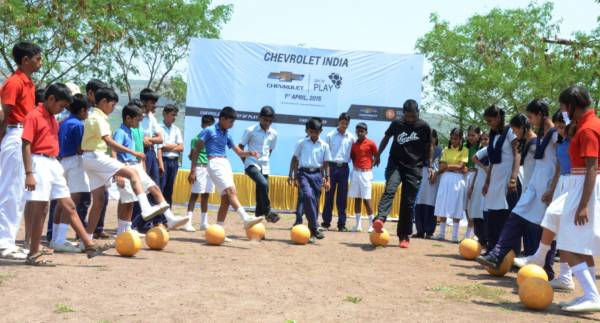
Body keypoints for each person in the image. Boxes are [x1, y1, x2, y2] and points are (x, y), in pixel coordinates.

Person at [21, 83, 108, 266]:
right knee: (41, 209)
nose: (62, 110)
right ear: (51, 99)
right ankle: (33, 253)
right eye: (61, 106)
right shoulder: (34, 116)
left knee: (69, 205)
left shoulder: (53, 118)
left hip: (54, 163)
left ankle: (89, 245)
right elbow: (26, 144)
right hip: (39, 162)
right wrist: (29, 172)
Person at [477, 101, 558, 281]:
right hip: (534, 186)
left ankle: (547, 271)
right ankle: (497, 253)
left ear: (541, 114)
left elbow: (559, 163)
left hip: (546, 188)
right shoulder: (543, 136)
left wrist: (553, 188)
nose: (531, 121)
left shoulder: (553, 135)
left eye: (531, 117)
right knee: (515, 217)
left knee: (545, 229)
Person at [536, 87, 600, 312]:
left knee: (567, 241)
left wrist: (583, 205)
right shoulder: (584, 126)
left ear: (573, 105)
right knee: (581, 246)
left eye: (564, 107)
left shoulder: (589, 129)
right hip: (580, 183)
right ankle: (589, 294)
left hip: (584, 185)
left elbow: (592, 167)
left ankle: (593, 295)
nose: (563, 112)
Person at [81, 87, 168, 238]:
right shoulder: (99, 118)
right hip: (96, 156)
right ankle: (146, 207)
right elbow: (109, 142)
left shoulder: (93, 116)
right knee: (132, 173)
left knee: (99, 200)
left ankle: (86, 239)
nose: (113, 108)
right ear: (103, 102)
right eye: (112, 104)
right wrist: (133, 152)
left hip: (90, 158)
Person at [514, 111, 575, 290]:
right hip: (562, 183)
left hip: (576, 183)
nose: (559, 129)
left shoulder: (576, 139)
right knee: (558, 229)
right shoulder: (561, 141)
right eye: (557, 126)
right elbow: (558, 167)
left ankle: (540, 257)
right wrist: (552, 189)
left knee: (559, 225)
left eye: (563, 126)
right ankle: (565, 276)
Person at [188, 107, 264, 236]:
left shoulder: (227, 134)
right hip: (214, 162)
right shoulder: (209, 130)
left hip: (225, 163)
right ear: (223, 119)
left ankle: (218, 231)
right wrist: (193, 170)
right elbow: (196, 150)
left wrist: (250, 153)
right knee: (230, 191)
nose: (232, 125)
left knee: (226, 199)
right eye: (230, 122)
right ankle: (246, 218)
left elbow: (239, 151)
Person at [113, 104, 187, 233]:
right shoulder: (120, 132)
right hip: (125, 167)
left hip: (136, 165)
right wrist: (117, 172)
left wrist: (141, 164)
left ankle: (170, 218)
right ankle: (123, 231)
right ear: (128, 118)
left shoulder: (131, 130)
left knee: (155, 188)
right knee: (128, 202)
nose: (139, 123)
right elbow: (114, 150)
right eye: (137, 120)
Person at [0, 41, 42, 260]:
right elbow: (4, 114)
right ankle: (3, 243)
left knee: (19, 194)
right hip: (15, 135)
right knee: (10, 192)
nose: (40, 62)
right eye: (37, 58)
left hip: (23, 136)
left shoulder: (28, 83)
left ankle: (7, 241)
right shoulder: (14, 82)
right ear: (25, 60)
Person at [372, 99, 432, 248]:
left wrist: (429, 164)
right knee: (390, 189)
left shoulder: (424, 127)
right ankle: (380, 218)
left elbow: (429, 146)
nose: (411, 119)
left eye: (413, 116)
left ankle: (404, 236)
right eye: (408, 116)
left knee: (408, 203)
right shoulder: (397, 124)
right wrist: (378, 155)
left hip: (414, 167)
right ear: (403, 113)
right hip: (396, 165)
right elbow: (386, 138)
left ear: (417, 112)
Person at [476, 105, 520, 252]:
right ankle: (492, 249)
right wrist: (487, 181)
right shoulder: (493, 134)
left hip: (507, 177)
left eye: (490, 121)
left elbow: (517, 154)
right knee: (493, 216)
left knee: (506, 217)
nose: (489, 124)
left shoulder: (510, 132)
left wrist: (513, 178)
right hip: (495, 178)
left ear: (498, 117)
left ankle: (509, 252)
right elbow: (493, 161)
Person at [50, 93, 90, 253]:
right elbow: (81, 148)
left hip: (62, 161)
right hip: (75, 161)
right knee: (72, 201)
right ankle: (61, 239)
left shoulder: (64, 122)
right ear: (82, 111)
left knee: (61, 201)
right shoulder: (79, 125)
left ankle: (55, 238)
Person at [288, 117, 332, 243]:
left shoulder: (324, 145)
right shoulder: (301, 143)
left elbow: (326, 163)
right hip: (304, 174)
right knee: (307, 196)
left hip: (317, 175)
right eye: (311, 131)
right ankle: (315, 226)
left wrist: (327, 178)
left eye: (317, 132)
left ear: (321, 131)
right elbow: (295, 159)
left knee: (316, 202)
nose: (314, 134)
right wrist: (291, 174)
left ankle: (312, 232)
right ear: (307, 131)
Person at [238, 106, 279, 223]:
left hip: (265, 165)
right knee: (263, 183)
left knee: (261, 193)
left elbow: (270, 149)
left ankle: (257, 224)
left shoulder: (274, 134)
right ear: (260, 117)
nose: (267, 123)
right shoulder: (251, 130)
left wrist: (265, 160)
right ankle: (268, 212)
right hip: (251, 163)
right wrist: (245, 162)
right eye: (265, 120)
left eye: (270, 121)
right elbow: (240, 147)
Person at [135, 88, 164, 230]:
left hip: (151, 153)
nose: (154, 106)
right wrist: (144, 140)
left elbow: (160, 138)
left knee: (154, 187)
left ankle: (156, 220)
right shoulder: (136, 116)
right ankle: (141, 223)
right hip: (141, 153)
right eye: (152, 102)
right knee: (143, 188)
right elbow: (139, 139)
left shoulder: (152, 117)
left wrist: (148, 139)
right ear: (144, 102)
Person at [433, 128, 468, 242]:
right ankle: (441, 234)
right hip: (445, 178)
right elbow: (441, 165)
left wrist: (447, 166)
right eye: (452, 138)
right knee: (443, 204)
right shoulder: (445, 150)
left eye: (456, 138)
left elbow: (461, 166)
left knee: (456, 205)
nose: (454, 140)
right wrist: (453, 166)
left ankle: (454, 236)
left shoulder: (465, 150)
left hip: (457, 179)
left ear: (461, 139)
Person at [322, 113, 355, 231]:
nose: (344, 125)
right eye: (342, 122)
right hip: (331, 167)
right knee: (329, 196)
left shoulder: (351, 137)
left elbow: (353, 154)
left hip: (344, 168)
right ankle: (326, 222)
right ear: (338, 122)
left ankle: (341, 224)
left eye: (346, 123)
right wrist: (325, 173)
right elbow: (325, 154)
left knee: (342, 197)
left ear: (348, 124)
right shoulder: (330, 135)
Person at [185, 114, 216, 231]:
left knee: (206, 195)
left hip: (210, 168)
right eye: (206, 125)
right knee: (194, 195)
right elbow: (192, 155)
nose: (208, 127)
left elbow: (190, 155)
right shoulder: (196, 138)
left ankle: (204, 222)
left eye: (210, 125)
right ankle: (188, 222)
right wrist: (192, 171)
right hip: (199, 167)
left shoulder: (213, 139)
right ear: (202, 125)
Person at [348, 122, 378, 232]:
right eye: (358, 131)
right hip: (356, 173)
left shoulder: (371, 143)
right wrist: (357, 166)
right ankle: (358, 225)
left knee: (366, 199)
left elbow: (377, 156)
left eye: (362, 131)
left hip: (366, 174)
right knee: (357, 198)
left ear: (366, 132)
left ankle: (371, 225)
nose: (360, 133)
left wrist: (370, 166)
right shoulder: (354, 145)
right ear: (356, 132)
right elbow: (353, 157)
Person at [414, 129, 442, 239]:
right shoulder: (421, 149)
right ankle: (420, 230)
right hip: (421, 177)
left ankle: (429, 231)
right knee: (419, 203)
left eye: (432, 137)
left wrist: (435, 174)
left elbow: (440, 165)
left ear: (436, 138)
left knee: (430, 203)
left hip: (433, 178)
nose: (430, 139)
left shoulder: (440, 150)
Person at [159, 104, 184, 207]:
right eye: (172, 114)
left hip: (174, 161)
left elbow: (181, 147)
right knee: (161, 187)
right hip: (163, 160)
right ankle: (158, 216)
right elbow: (160, 147)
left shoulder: (176, 129)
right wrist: (174, 146)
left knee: (169, 189)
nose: (174, 117)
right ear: (164, 114)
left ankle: (167, 215)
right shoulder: (158, 127)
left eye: (175, 115)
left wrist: (166, 146)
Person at [468, 132, 490, 246]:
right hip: (479, 181)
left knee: (485, 210)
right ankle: (480, 236)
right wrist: (472, 186)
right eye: (483, 139)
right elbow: (476, 169)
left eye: (487, 139)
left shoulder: (492, 152)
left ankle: (487, 237)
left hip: (488, 182)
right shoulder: (480, 153)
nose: (484, 141)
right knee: (476, 209)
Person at [464, 125, 481, 239]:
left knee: (473, 204)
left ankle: (473, 233)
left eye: (473, 135)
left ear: (478, 135)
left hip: (476, 175)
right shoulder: (465, 147)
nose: (470, 137)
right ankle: (469, 231)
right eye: (469, 135)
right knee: (465, 204)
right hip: (465, 176)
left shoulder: (481, 148)